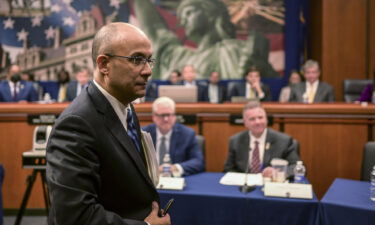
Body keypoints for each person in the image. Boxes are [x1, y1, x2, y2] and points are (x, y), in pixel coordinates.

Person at [46, 22, 171, 225]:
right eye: (137, 59)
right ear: (104, 64)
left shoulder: (125, 106)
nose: (148, 70)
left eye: (149, 60)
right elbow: (74, 217)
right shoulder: (75, 124)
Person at [133, 0, 279, 79]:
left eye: (188, 13)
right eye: (181, 18)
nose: (183, 22)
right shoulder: (178, 57)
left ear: (209, 14)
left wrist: (259, 67)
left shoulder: (235, 50)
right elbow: (156, 31)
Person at [224, 100, 300, 178]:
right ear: (245, 122)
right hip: (244, 187)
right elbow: (228, 169)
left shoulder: (284, 141)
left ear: (266, 119)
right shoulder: (235, 141)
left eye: (260, 117)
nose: (257, 122)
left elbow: (298, 168)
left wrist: (278, 172)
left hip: (271, 186)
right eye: (252, 119)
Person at [142, 96, 205, 177]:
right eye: (162, 115)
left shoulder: (187, 134)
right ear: (154, 117)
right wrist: (153, 169)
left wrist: (175, 168)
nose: (166, 119)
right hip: (150, 179)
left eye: (169, 115)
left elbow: (198, 162)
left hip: (175, 179)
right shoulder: (143, 134)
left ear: (174, 116)